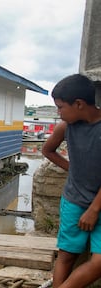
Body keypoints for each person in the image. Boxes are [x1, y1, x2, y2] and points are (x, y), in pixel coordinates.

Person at [42, 74, 101, 287]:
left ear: (79, 104)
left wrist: (94, 210)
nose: (58, 113)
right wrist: (73, 168)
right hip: (74, 200)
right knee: (67, 254)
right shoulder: (66, 126)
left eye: (60, 107)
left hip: (98, 205)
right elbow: (47, 150)